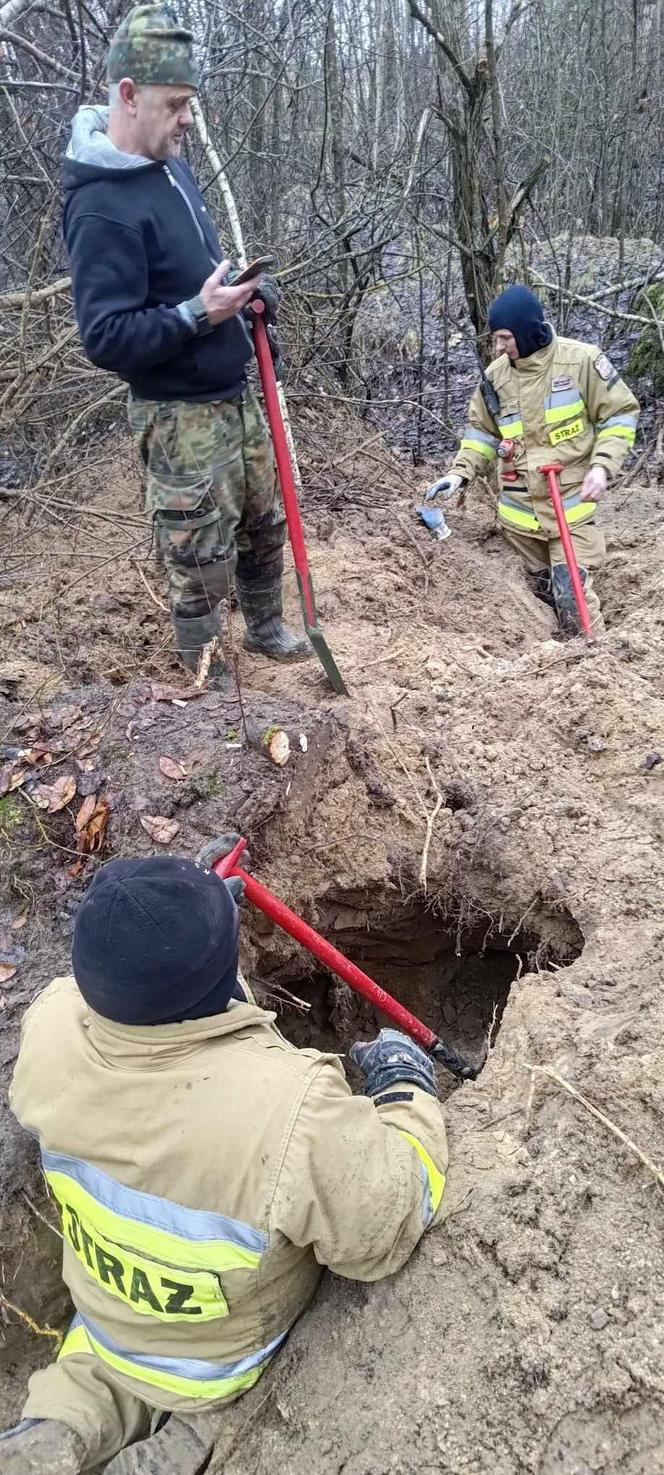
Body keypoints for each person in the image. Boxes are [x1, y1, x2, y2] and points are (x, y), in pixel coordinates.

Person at [1, 834, 448, 1474]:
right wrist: (405, 1088)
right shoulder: (287, 1113)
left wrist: (199, 943)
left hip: (104, 1326)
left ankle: (51, 1434)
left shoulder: (49, 1027)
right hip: (216, 1363)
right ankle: (190, 1438)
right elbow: (387, 1224)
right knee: (196, 1409)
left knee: (86, 1390)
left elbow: (152, 1011)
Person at [62, 4, 310, 678]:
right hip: (178, 418)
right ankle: (207, 672)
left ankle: (265, 628)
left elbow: (197, 270)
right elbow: (106, 338)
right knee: (198, 554)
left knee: (264, 521)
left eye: (190, 104)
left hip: (233, 391)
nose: (187, 120)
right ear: (128, 95)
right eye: (175, 104)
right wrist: (199, 314)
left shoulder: (170, 164)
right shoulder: (99, 206)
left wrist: (245, 291)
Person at [427, 284, 640, 635]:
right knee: (537, 600)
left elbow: (619, 415)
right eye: (496, 338)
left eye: (505, 337)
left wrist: (602, 465)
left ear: (527, 331)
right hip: (520, 523)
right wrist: (459, 474)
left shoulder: (581, 361)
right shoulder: (495, 378)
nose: (499, 346)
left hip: (570, 514)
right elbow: (481, 434)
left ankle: (593, 662)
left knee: (572, 597)